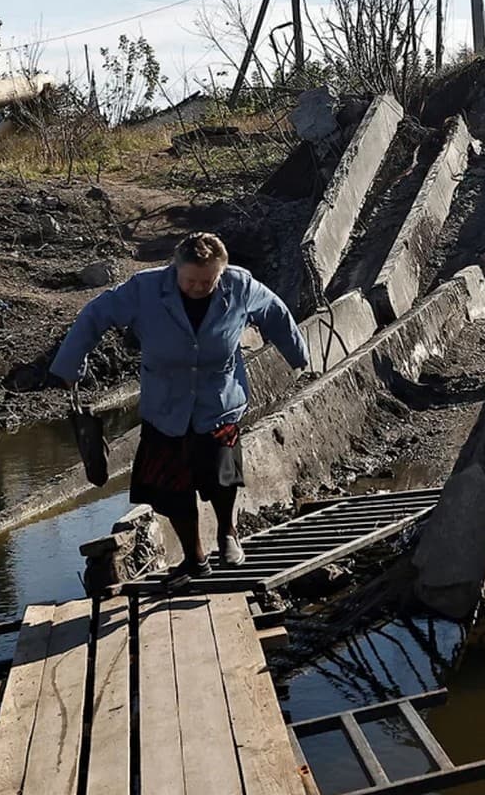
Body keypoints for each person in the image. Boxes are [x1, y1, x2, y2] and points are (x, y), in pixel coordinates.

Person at [48, 232, 309, 580]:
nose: (200, 287)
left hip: (218, 400)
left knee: (222, 474)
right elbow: (95, 315)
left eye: (208, 281)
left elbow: (275, 312)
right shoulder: (145, 289)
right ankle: (194, 558)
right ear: (175, 270)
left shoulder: (240, 287)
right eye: (191, 280)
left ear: (222, 272)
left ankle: (227, 532)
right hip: (165, 404)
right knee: (171, 488)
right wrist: (69, 366)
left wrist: (298, 356)